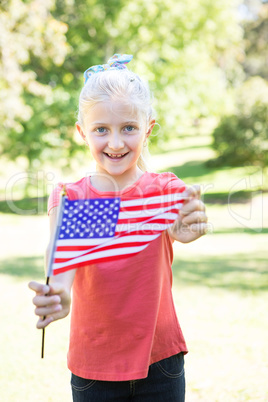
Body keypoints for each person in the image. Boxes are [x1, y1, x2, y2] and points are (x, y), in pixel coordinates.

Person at [29, 54, 208, 402]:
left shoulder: (162, 190)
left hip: (160, 362)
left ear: (148, 128)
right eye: (101, 130)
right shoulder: (75, 196)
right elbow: (62, 261)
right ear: (83, 132)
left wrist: (189, 225)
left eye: (128, 128)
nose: (115, 142)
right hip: (94, 365)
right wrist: (60, 295)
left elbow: (181, 224)